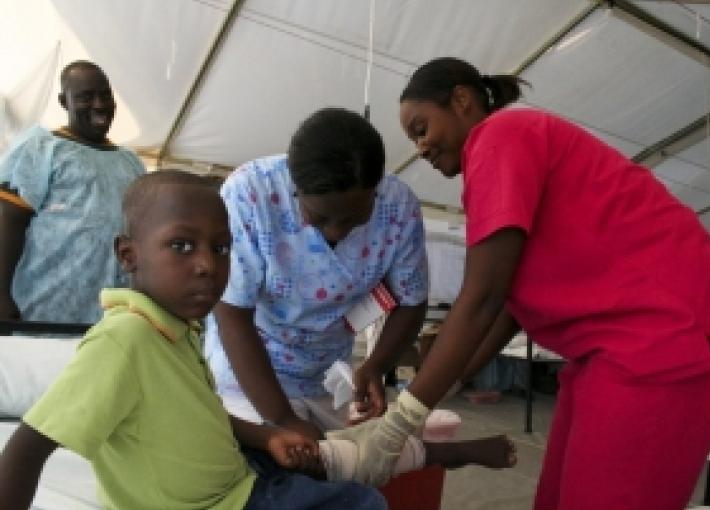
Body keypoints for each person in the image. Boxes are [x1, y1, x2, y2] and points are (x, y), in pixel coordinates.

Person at [333, 57, 710, 510]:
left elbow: (482, 299)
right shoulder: (501, 160)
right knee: (557, 497)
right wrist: (440, 383)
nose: (420, 148)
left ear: (461, 100)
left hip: (670, 337)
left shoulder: (500, 137)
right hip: (613, 348)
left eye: (421, 128)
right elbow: (507, 306)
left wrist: (402, 420)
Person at [0, 171, 516, 509]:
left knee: (328, 454)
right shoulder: (124, 340)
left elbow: (195, 413)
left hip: (237, 473)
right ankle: (447, 455)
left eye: (221, 248)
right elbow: (26, 450)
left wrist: (265, 436)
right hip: (221, 503)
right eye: (181, 246)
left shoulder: (176, 328)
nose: (208, 264)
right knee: (363, 502)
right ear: (129, 254)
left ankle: (444, 453)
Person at [205, 107, 429, 439]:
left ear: (377, 190)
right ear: (294, 190)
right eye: (320, 218)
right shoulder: (250, 194)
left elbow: (412, 299)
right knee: (274, 472)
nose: (337, 232)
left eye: (354, 219)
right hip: (248, 375)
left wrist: (376, 366)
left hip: (329, 375)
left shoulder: (398, 206)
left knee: (343, 466)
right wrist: (283, 420)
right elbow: (232, 314)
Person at [0, 60, 145, 324]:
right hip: (42, 310)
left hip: (113, 316)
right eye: (85, 97)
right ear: (63, 102)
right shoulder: (41, 149)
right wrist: (1, 296)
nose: (99, 104)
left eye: (105, 95)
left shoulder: (131, 162)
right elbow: (7, 220)